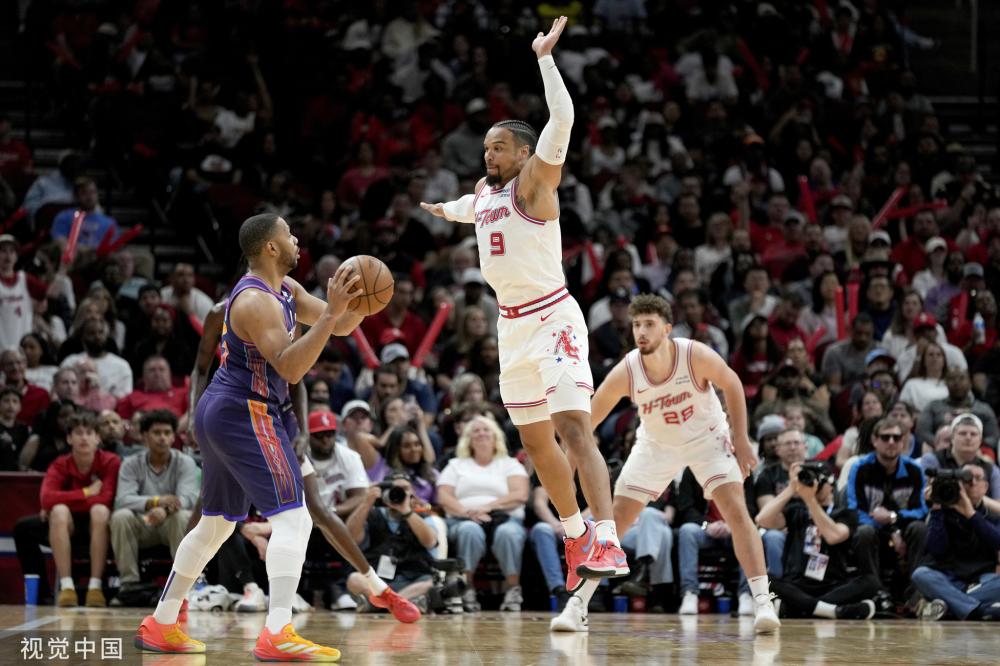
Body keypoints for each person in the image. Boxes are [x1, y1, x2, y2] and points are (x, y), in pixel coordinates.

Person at [421, 17, 628, 597]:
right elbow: (474, 205)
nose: (489, 152)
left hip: (554, 318)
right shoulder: (487, 191)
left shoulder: (536, 183)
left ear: (523, 151)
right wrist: (446, 210)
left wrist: (544, 59)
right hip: (510, 328)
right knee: (536, 443)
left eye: (499, 146)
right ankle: (574, 534)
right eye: (485, 145)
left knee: (572, 428)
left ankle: (607, 533)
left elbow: (562, 119)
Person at [134, 213, 365, 660]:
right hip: (245, 409)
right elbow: (293, 368)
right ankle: (277, 632)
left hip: (226, 410)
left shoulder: (287, 290)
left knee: (217, 523)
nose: (298, 238)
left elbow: (340, 326)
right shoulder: (256, 301)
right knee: (294, 518)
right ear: (270, 248)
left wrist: (360, 300)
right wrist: (335, 312)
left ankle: (161, 623)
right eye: (289, 234)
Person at [555, 294, 779, 633]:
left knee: (735, 510)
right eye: (636, 325)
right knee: (614, 521)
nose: (641, 332)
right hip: (656, 444)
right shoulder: (628, 369)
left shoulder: (693, 354)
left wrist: (742, 438)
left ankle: (763, 601)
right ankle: (578, 605)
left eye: (649, 325)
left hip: (706, 438)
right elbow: (586, 424)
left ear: (667, 329)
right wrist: (568, 466)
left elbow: (732, 382)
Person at [13, 412, 119, 607]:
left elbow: (105, 499)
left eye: (89, 433)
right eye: (78, 433)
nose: (84, 437)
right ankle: (66, 586)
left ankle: (95, 587)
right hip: (67, 524)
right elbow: (46, 498)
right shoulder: (60, 463)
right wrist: (86, 492)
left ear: (98, 438)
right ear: (69, 438)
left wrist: (58, 502)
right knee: (57, 512)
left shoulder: (110, 461)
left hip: (99, 524)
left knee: (99, 511)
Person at [758, 461, 880, 619]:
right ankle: (833, 611)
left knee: (871, 582)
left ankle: (797, 609)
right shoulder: (796, 510)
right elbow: (762, 520)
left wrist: (810, 501)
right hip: (797, 584)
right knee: (764, 580)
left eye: (818, 481)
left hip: (832, 585)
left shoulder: (845, 513)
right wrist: (791, 488)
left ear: (831, 484)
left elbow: (834, 536)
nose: (812, 487)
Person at [437, 415, 529, 612]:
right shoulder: (456, 465)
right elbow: (444, 496)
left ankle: (513, 589)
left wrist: (489, 507)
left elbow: (520, 495)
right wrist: (467, 513)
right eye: (475, 431)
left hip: (505, 517)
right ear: (468, 439)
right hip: (463, 519)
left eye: (486, 429)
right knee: (470, 530)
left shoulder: (510, 464)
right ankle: (466, 588)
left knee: (509, 534)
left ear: (496, 436)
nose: (481, 433)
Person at [110, 410, 198, 596]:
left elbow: (187, 498)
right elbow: (122, 500)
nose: (162, 438)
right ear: (144, 436)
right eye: (156, 433)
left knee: (182, 516)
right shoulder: (130, 463)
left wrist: (165, 510)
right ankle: (130, 584)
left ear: (174, 437)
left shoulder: (186, 463)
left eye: (167, 433)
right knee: (120, 516)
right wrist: (155, 502)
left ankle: (186, 584)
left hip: (171, 524)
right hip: (143, 523)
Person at [911, 459, 1000, 621]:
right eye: (966, 478)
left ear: (985, 487)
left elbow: (997, 542)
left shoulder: (992, 517)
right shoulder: (942, 513)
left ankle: (951, 607)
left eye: (977, 478)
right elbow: (936, 549)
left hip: (982, 582)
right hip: (948, 580)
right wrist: (936, 510)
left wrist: (971, 514)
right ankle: (979, 611)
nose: (971, 483)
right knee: (920, 574)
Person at [847, 417, 928, 594]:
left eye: (896, 438)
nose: (891, 442)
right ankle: (874, 592)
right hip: (872, 529)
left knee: (920, 529)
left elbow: (921, 510)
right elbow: (854, 511)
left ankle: (915, 595)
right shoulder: (859, 468)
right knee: (864, 531)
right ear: (874, 441)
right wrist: (891, 531)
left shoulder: (914, 470)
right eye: (885, 437)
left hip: (904, 530)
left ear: (903, 442)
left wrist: (893, 520)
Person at [344, 475, 437, 616]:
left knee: (431, 584)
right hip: (378, 583)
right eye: (394, 489)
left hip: (413, 580)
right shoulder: (372, 514)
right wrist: (366, 502)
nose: (399, 492)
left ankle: (378, 605)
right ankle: (402, 604)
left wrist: (406, 511)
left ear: (412, 493)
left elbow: (430, 541)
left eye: (405, 489)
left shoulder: (422, 517)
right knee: (354, 579)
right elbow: (349, 537)